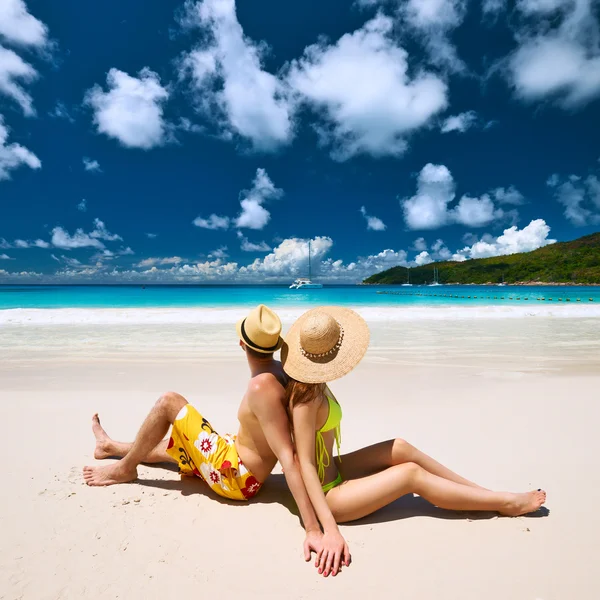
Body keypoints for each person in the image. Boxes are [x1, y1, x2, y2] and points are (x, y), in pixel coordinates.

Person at [282, 306, 547, 577]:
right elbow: (304, 464)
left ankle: (482, 493)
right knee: (410, 475)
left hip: (334, 470)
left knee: (399, 447)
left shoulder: (314, 382)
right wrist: (329, 530)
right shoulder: (305, 398)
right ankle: (503, 503)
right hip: (328, 497)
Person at [83, 304, 346, 574]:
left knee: (168, 402)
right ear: (275, 346)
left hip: (237, 478)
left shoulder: (260, 386)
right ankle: (110, 447)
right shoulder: (282, 370)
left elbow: (288, 458)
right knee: (182, 444)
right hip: (237, 455)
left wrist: (313, 528)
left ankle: (125, 469)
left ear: (242, 344)